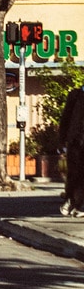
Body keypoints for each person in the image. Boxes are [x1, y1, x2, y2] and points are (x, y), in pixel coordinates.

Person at [59, 84, 84, 217]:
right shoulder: (75, 96)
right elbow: (66, 118)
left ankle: (81, 205)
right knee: (74, 173)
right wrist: (62, 140)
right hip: (75, 141)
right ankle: (71, 199)